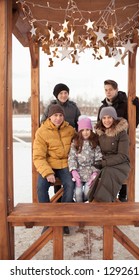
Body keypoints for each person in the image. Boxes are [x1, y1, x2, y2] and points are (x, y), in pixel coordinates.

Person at [33, 104, 75, 235]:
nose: (58, 118)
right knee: (41, 187)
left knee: (69, 184)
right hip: (48, 165)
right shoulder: (42, 131)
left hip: (65, 165)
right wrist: (48, 172)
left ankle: (63, 221)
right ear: (50, 117)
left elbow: (80, 145)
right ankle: (48, 220)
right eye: (55, 115)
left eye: (61, 115)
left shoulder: (70, 130)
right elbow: (38, 157)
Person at [97, 79, 139, 202]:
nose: (108, 92)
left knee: (119, 168)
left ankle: (122, 197)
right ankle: (103, 200)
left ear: (116, 89)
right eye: (106, 90)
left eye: (111, 89)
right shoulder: (103, 106)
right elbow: (99, 126)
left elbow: (133, 123)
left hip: (121, 140)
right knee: (105, 171)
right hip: (106, 144)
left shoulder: (125, 103)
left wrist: (137, 108)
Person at [41, 83, 81, 196]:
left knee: (68, 178)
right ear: (56, 95)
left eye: (65, 93)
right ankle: (57, 197)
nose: (63, 95)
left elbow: (79, 122)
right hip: (54, 140)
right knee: (56, 178)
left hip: (69, 139)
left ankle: (67, 200)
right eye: (61, 93)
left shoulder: (73, 107)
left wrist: (78, 136)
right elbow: (43, 122)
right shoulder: (51, 106)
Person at [88, 106, 130, 202]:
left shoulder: (121, 134)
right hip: (105, 163)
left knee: (107, 173)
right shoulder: (99, 133)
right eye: (104, 118)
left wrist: (104, 163)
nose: (107, 120)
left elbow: (123, 156)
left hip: (120, 164)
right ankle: (92, 200)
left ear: (114, 118)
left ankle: (102, 203)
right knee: (98, 175)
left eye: (109, 117)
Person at [68, 116, 102, 202]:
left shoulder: (94, 143)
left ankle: (87, 208)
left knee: (87, 191)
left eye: (87, 130)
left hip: (90, 172)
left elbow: (98, 158)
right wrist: (73, 170)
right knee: (78, 193)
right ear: (79, 131)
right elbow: (72, 158)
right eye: (83, 130)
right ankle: (79, 208)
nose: (85, 132)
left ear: (91, 130)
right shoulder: (75, 143)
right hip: (79, 173)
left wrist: (95, 173)